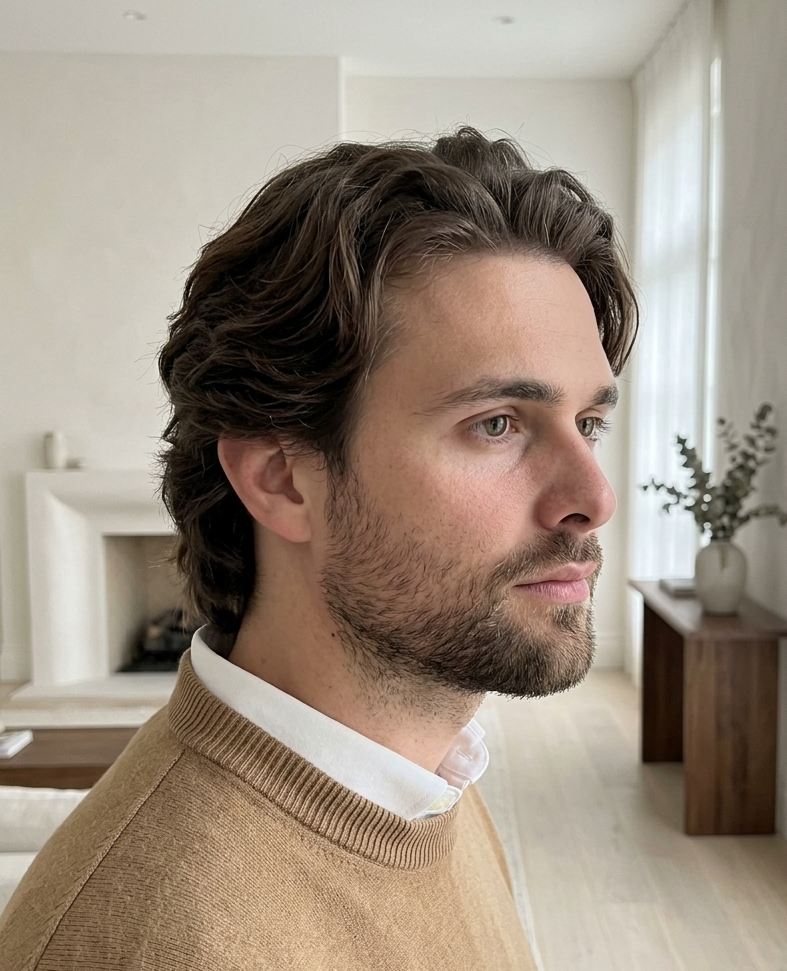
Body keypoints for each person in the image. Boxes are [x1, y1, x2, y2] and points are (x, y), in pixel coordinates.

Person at [0, 127, 637, 970]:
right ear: (281, 479)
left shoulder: (428, 773)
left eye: (588, 423)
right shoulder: (156, 940)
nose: (594, 499)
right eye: (497, 424)